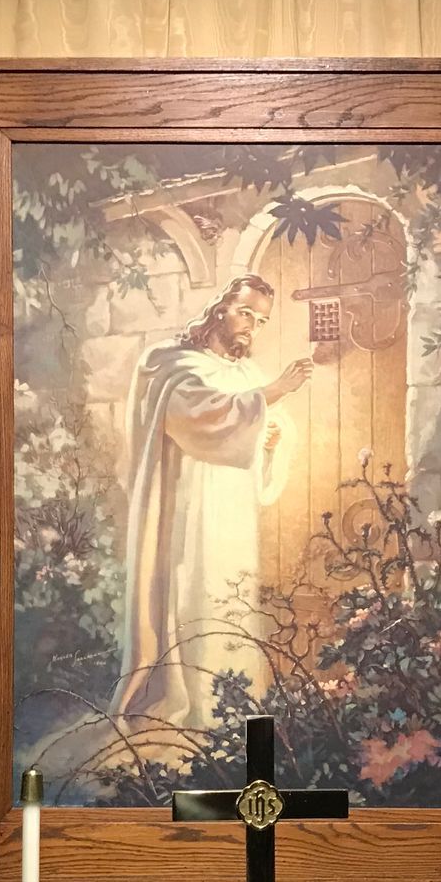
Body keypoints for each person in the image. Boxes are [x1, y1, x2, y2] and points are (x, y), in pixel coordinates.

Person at [112, 274, 313, 739]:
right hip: (189, 504)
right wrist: (275, 392)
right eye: (246, 313)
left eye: (261, 320)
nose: (252, 326)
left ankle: (233, 701)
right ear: (220, 308)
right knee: (194, 588)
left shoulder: (246, 373)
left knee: (230, 593)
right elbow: (198, 414)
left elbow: (266, 425)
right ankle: (194, 702)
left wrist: (272, 438)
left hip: (233, 507)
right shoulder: (171, 362)